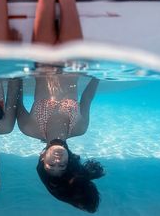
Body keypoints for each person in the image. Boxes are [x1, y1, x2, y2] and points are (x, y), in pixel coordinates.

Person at [17, 73, 104, 212]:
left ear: (42, 158)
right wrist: (98, 75)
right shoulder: (80, 128)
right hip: (71, 67)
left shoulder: (29, 128)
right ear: (69, 162)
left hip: (44, 66)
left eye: (51, 165)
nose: (57, 160)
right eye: (62, 165)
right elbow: (86, 99)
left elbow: (17, 100)